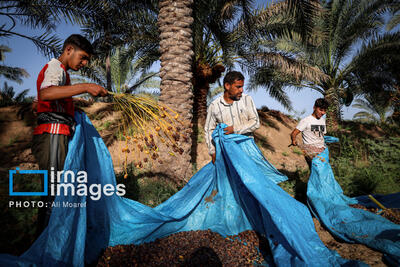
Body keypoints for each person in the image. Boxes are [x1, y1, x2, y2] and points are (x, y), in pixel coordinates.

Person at [31, 34, 108, 236]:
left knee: (54, 190)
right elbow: (46, 93)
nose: (83, 63)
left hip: (56, 133)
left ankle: (51, 242)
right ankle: (45, 247)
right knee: (54, 193)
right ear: (68, 50)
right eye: (82, 57)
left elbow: (42, 101)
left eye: (86, 61)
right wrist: (85, 87)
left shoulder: (62, 72)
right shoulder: (55, 67)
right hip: (53, 133)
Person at [204, 71, 260, 164]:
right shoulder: (214, 106)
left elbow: (255, 122)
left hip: (248, 152)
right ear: (227, 86)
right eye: (238, 87)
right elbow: (209, 130)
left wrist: (234, 129)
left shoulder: (246, 100)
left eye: (242, 87)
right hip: (227, 154)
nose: (241, 90)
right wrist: (213, 152)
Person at [290, 98, 329, 168]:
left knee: (321, 171)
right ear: (314, 107)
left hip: (322, 151)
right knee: (317, 170)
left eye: (325, 111)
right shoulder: (306, 120)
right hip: (310, 151)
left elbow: (323, 135)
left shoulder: (323, 120)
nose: (323, 113)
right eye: (321, 110)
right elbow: (294, 133)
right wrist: (293, 141)